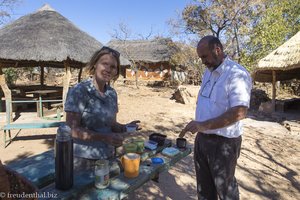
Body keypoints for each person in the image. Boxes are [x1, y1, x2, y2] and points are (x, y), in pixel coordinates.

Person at [179, 36, 252, 200]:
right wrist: (200, 127)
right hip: (202, 139)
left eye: (204, 57)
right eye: (200, 58)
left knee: (225, 190)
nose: (203, 61)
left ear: (217, 50)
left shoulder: (237, 74)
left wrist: (203, 125)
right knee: (204, 189)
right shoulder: (208, 72)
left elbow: (239, 112)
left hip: (224, 144)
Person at [65, 46, 140, 171]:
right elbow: (71, 130)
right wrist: (105, 137)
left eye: (113, 67)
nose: (108, 69)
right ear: (95, 64)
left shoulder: (111, 93)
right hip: (83, 159)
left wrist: (125, 127)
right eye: (105, 64)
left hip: (107, 155)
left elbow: (111, 124)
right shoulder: (79, 91)